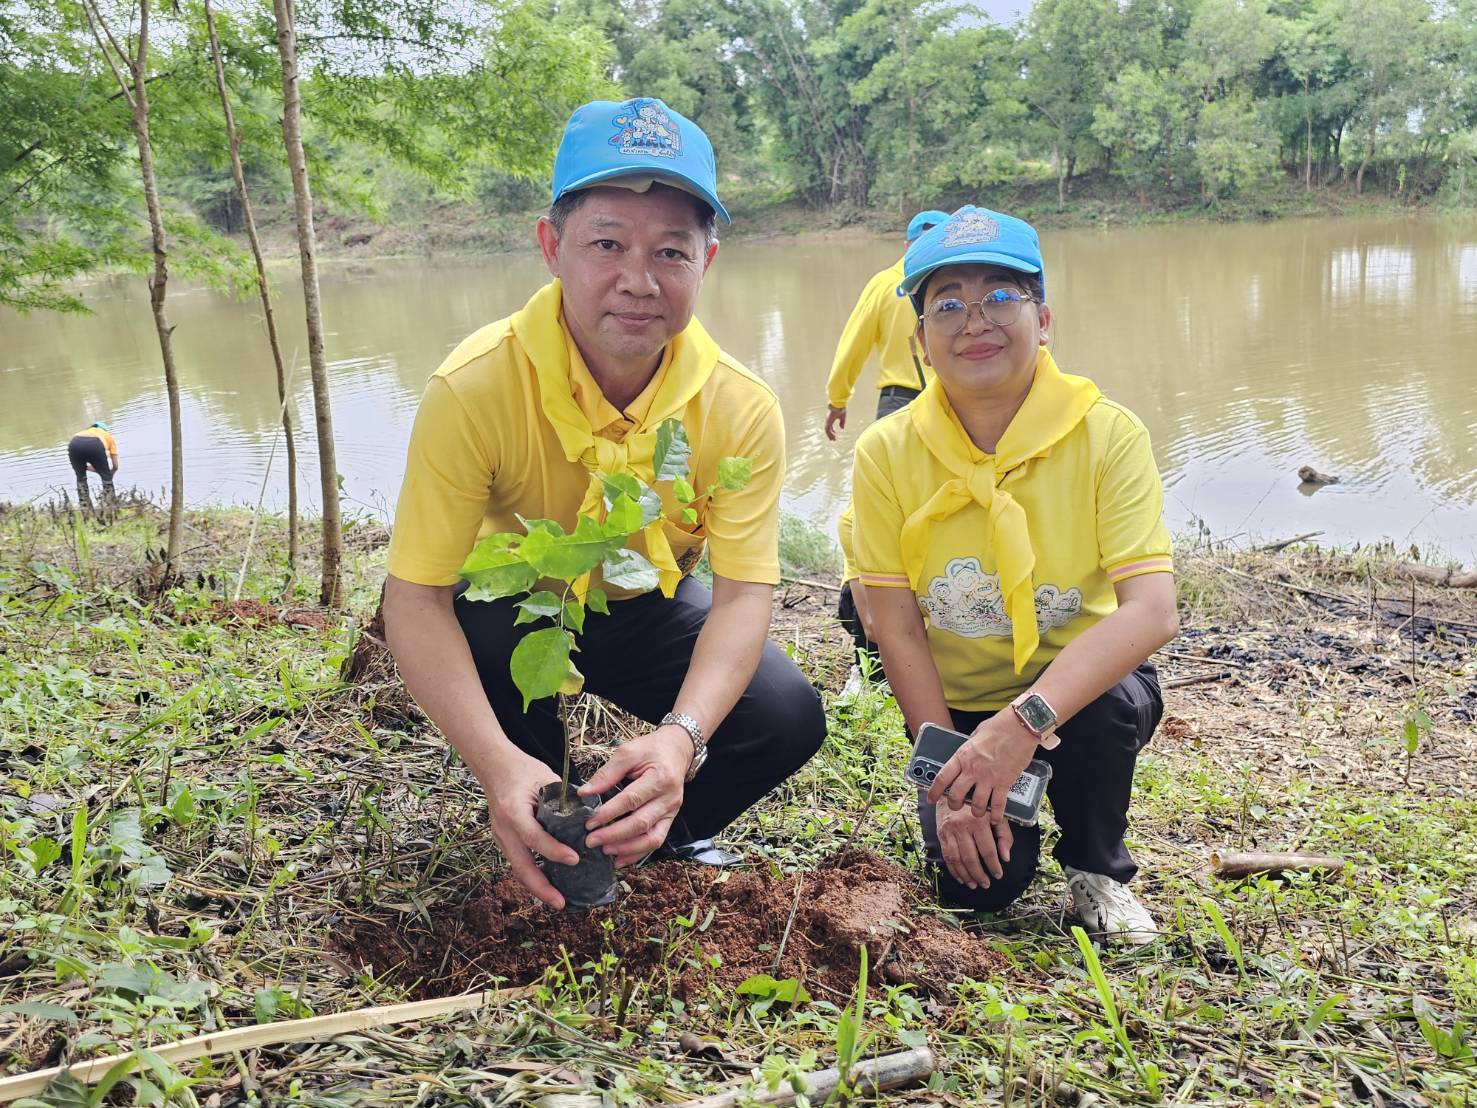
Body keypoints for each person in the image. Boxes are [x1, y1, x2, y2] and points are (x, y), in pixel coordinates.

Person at [382, 97, 827, 911]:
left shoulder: (740, 407)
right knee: (480, 621)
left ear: (708, 260)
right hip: (518, 601)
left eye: (670, 251)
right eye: (606, 244)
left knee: (785, 714)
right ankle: (533, 802)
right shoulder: (474, 385)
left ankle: (653, 826)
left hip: (646, 601)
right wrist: (494, 764)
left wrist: (682, 739)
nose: (637, 280)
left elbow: (743, 595)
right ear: (552, 247)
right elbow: (411, 597)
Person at [849, 206, 1179, 943]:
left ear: (1043, 316)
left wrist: (1023, 723)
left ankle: (1096, 870)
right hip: (959, 705)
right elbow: (893, 622)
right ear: (921, 342)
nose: (975, 321)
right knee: (979, 894)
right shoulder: (884, 451)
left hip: (1076, 694)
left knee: (1107, 707)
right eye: (948, 304)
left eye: (1000, 296)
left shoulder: (1106, 433)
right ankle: (989, 807)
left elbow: (1150, 612)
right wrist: (946, 769)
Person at [822, 209, 949, 442]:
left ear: (906, 246)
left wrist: (837, 401)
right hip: (957, 401)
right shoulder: (967, 286)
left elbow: (852, 348)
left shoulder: (883, 284)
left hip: (898, 402)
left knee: (889, 475)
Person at [67, 421, 119, 519]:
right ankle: (111, 510)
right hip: (95, 444)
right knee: (107, 480)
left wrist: (100, 470)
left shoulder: (83, 432)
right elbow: (115, 465)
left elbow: (83, 466)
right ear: (104, 429)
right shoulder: (108, 436)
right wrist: (108, 474)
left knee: (80, 478)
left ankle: (85, 511)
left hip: (74, 443)